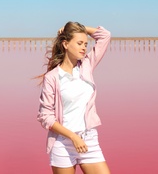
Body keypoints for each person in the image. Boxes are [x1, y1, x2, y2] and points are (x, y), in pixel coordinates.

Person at [37, 21, 112, 174]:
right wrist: (73, 137)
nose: (84, 47)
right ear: (65, 44)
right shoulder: (52, 77)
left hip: (88, 139)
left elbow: (105, 36)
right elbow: (46, 116)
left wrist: (81, 29)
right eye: (79, 43)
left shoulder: (86, 65)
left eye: (85, 43)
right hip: (63, 142)